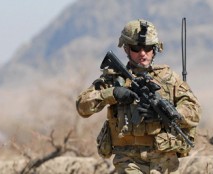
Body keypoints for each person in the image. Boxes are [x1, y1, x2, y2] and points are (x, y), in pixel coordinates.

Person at [76, 19, 201, 174]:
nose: (143, 53)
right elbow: (82, 106)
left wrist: (171, 113)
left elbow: (194, 110)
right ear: (126, 49)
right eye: (136, 48)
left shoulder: (169, 78)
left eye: (148, 48)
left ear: (155, 49)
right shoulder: (115, 79)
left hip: (165, 162)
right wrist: (112, 93)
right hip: (128, 161)